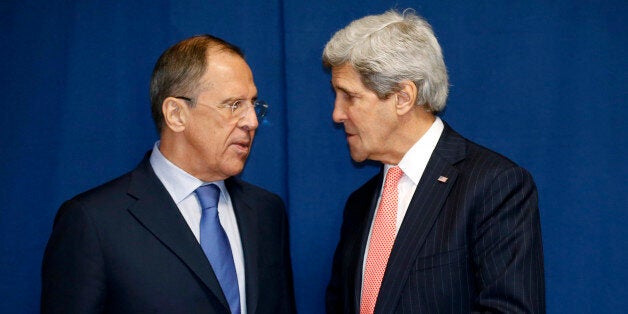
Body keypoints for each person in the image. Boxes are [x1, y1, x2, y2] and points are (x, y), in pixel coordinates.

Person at [42, 35, 296, 314]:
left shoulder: (266, 211)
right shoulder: (93, 222)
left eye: (253, 105)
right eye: (234, 105)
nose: (251, 121)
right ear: (176, 114)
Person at [323, 10, 545, 313]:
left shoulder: (494, 186)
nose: (337, 114)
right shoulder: (359, 204)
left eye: (350, 96)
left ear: (403, 97)